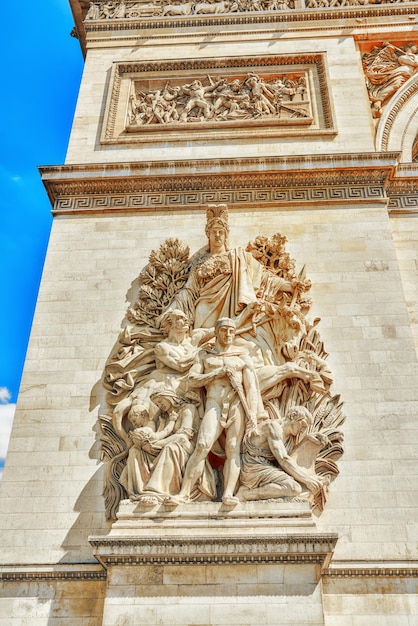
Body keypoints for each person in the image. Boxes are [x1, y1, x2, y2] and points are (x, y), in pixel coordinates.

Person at [167, 317, 263, 506]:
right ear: (217, 332)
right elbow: (192, 380)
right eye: (224, 330)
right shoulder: (205, 355)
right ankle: (184, 493)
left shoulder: (241, 356)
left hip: (236, 403)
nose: (228, 335)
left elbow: (251, 387)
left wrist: (253, 414)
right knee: (203, 444)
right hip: (214, 403)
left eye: (231, 331)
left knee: (233, 448)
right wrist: (215, 374)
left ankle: (228, 493)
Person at [237, 406, 327, 501]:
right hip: (253, 468)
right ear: (293, 416)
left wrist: (306, 440)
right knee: (294, 488)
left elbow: (289, 458)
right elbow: (283, 460)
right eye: (303, 425)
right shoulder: (273, 427)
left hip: (267, 468)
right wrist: (307, 480)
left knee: (297, 486)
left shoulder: (288, 438)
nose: (303, 430)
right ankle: (246, 494)